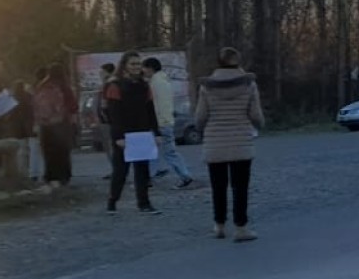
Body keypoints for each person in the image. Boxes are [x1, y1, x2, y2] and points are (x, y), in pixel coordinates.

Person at [194, 46, 266, 242]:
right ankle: (241, 228)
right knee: (240, 187)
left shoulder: (207, 86)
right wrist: (260, 125)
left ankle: (219, 225)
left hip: (215, 142)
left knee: (218, 187)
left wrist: (202, 130)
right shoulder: (249, 85)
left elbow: (200, 117)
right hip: (241, 141)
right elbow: (256, 115)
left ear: (218, 62)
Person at [104, 53, 160, 214]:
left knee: (143, 170)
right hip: (125, 134)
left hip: (142, 132)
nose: (136, 67)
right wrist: (118, 137)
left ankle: (144, 203)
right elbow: (113, 114)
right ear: (125, 66)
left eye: (138, 64)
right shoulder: (115, 85)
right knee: (120, 171)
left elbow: (150, 110)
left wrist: (156, 132)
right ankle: (112, 201)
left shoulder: (144, 85)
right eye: (133, 64)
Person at [141, 56, 195, 189]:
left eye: (145, 68)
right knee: (158, 151)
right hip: (166, 121)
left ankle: (184, 176)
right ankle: (149, 177)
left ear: (150, 68)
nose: (144, 72)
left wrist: (157, 125)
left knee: (162, 152)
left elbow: (157, 106)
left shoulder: (155, 84)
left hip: (160, 123)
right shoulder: (164, 81)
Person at [32, 64, 77, 187]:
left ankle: (50, 176)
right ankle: (64, 176)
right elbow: (73, 106)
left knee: (48, 151)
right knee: (62, 151)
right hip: (61, 123)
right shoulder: (64, 86)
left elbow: (35, 106)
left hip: (45, 125)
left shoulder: (41, 86)